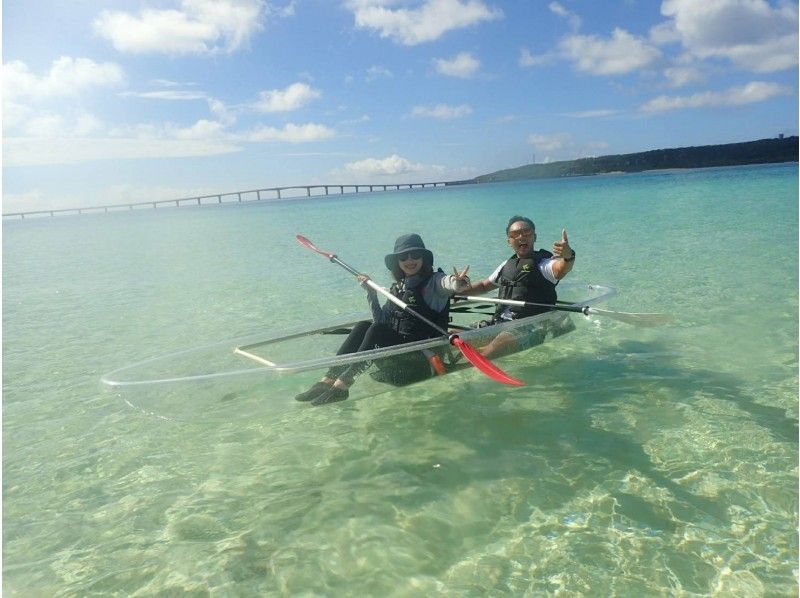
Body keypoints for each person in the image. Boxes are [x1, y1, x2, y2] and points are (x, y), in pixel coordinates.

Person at [295, 233, 471, 406]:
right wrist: (371, 294)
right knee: (364, 326)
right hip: (400, 361)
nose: (410, 260)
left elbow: (449, 284)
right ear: (398, 262)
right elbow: (381, 320)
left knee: (376, 329)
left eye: (415, 255)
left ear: (424, 258)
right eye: (403, 257)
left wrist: (459, 283)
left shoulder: (435, 283)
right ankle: (328, 379)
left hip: (421, 364)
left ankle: (343, 385)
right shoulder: (399, 287)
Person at [458, 215, 575, 357]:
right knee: (454, 336)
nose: (521, 237)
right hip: (500, 322)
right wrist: (457, 290)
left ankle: (462, 367)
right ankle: (435, 364)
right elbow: (483, 286)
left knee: (492, 348)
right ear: (509, 241)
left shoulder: (544, 264)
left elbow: (562, 269)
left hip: (530, 326)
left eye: (526, 232)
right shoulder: (506, 266)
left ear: (534, 237)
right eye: (514, 234)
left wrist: (568, 255)